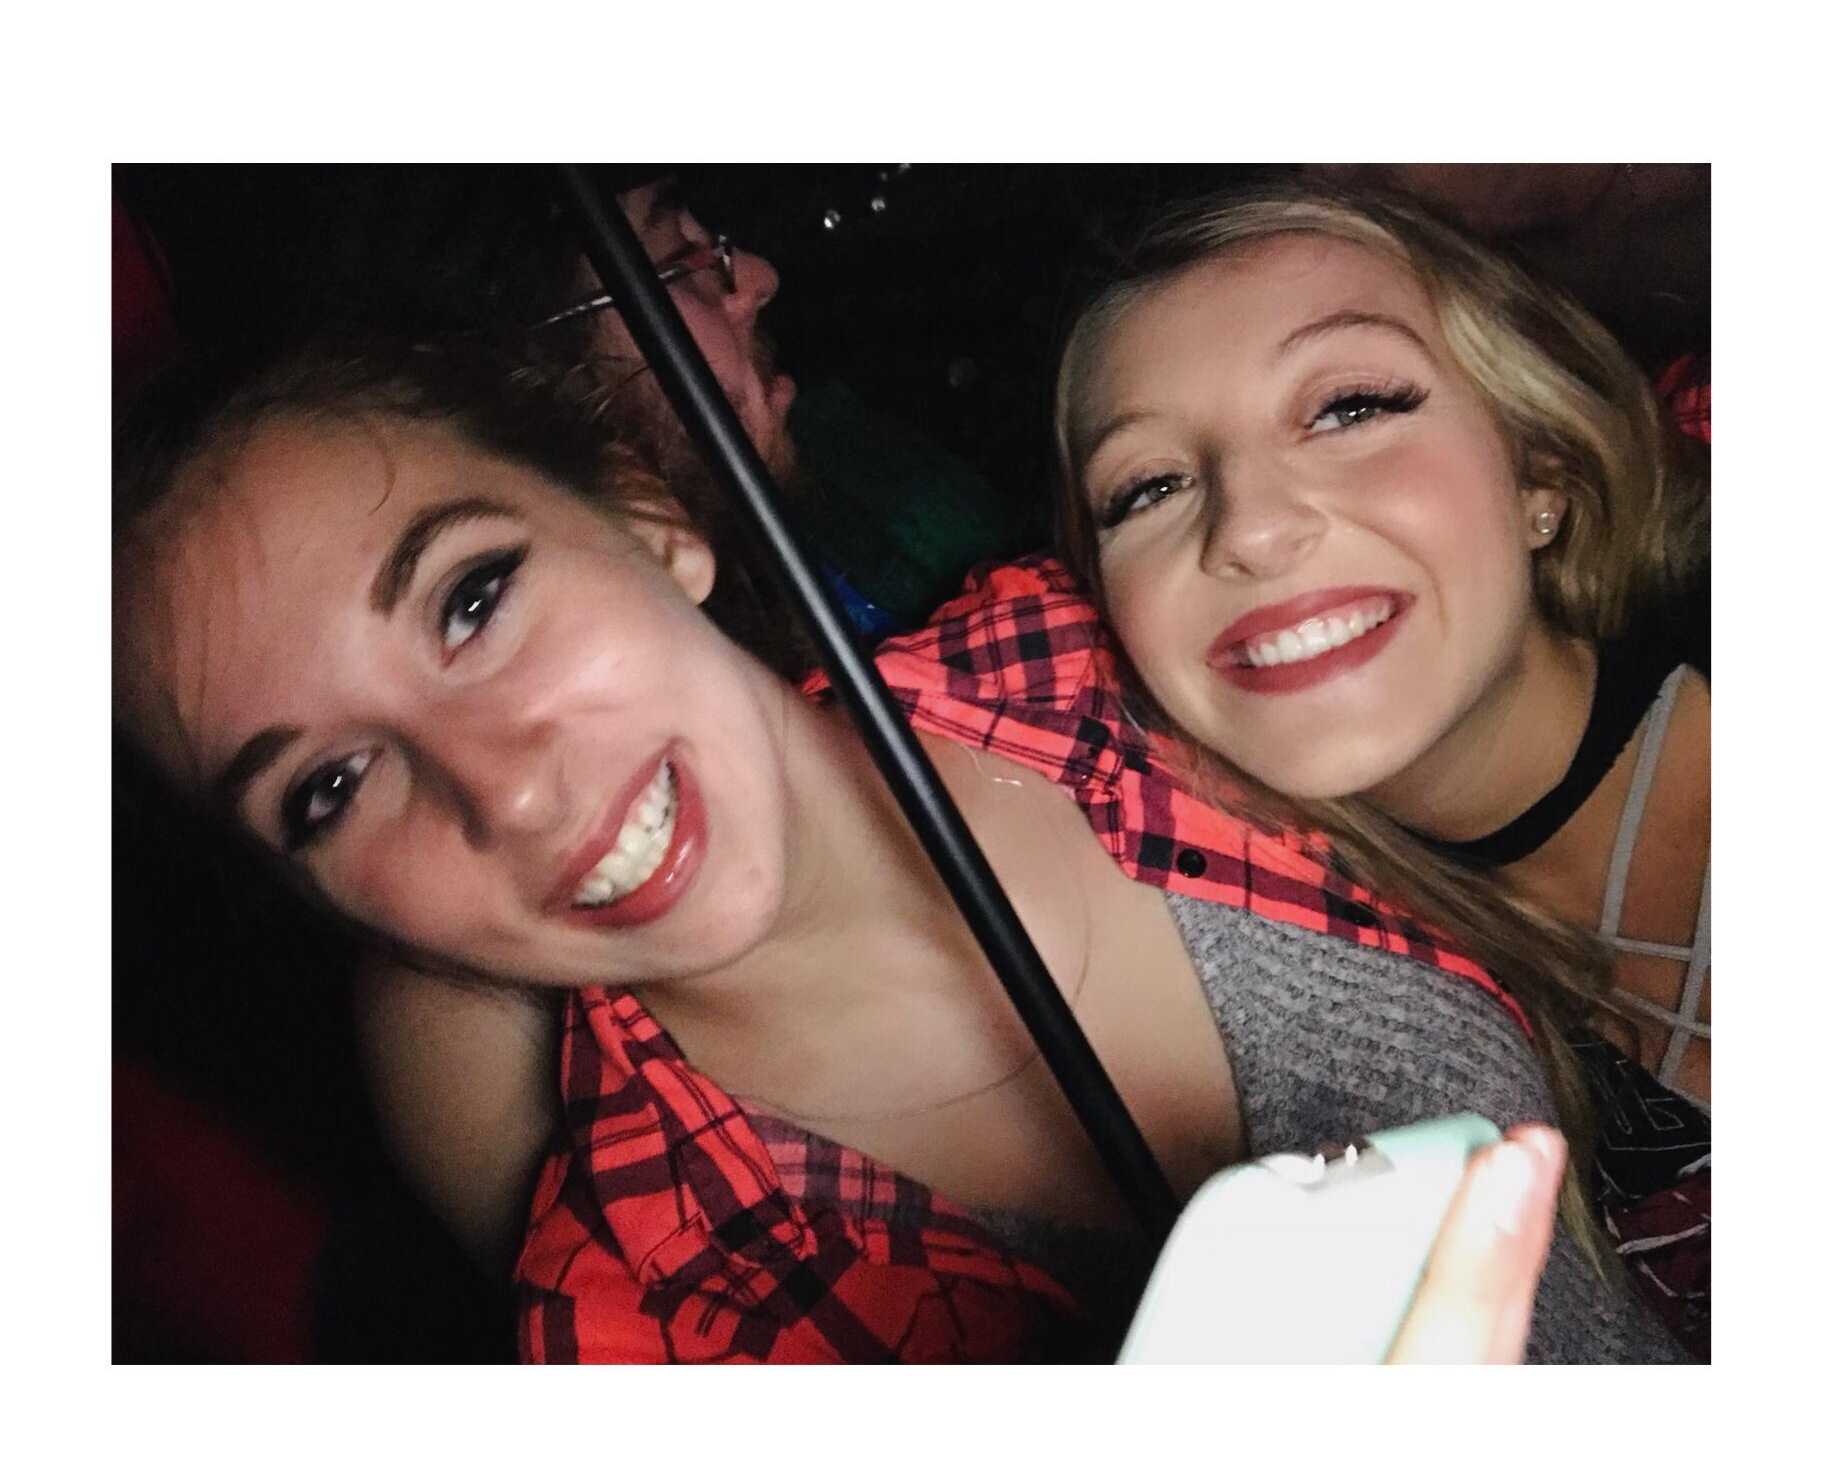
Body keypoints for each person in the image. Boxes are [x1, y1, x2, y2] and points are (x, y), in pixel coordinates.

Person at [113, 327, 1683, 1362]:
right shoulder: (661, 1327)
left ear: (651, 520)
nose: (507, 793)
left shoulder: (1103, 657)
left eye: (473, 598)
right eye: (329, 789)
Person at [1052, 184, 1709, 1347]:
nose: (1248, 528)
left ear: (1539, 468)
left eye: (1348, 407)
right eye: (1147, 486)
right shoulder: (1344, 1032)